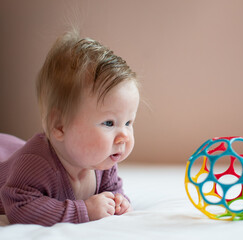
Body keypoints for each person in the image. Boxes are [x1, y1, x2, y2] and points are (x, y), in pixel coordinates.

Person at [0, 29, 139, 226]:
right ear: (60, 126)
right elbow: (19, 207)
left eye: (128, 123)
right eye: (109, 123)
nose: (123, 136)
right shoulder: (35, 165)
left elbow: (113, 191)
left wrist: (119, 202)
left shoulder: (103, 163)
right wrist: (84, 211)